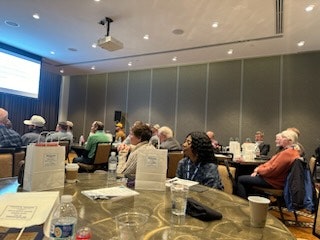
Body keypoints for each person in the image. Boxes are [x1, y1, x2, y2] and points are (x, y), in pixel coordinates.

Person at [237, 129, 300, 199]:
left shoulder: (287, 153)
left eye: (283, 137)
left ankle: (243, 204)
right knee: (249, 177)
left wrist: (258, 170)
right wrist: (258, 169)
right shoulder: (293, 152)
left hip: (273, 181)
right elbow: (270, 164)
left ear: (289, 140)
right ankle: (252, 200)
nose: (280, 139)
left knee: (240, 179)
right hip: (275, 179)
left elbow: (272, 170)